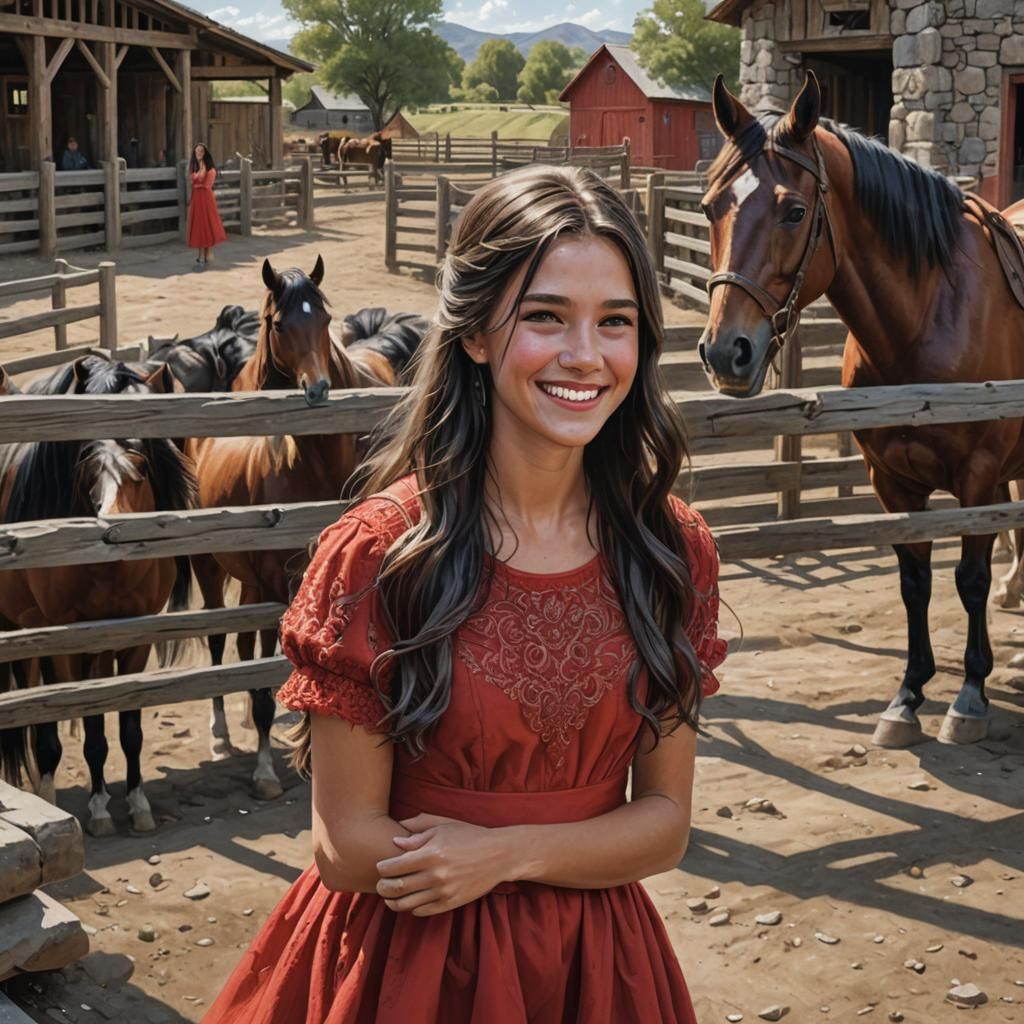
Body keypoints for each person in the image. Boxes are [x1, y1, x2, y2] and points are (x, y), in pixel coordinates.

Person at [201, 164, 727, 1024]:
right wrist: (495, 861)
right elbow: (344, 845)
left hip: (594, 971)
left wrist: (506, 854)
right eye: (547, 316)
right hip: (410, 964)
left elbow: (666, 822)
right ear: (477, 333)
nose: (586, 356)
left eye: (616, 323)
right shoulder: (378, 554)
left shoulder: (672, 551)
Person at [187, 142, 226, 269]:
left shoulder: (209, 168)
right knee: (198, 226)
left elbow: (203, 181)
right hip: (197, 199)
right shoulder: (194, 166)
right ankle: (202, 254)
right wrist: (197, 183)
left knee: (206, 225)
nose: (198, 153)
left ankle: (206, 254)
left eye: (201, 151)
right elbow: (194, 180)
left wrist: (197, 182)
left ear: (205, 153)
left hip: (206, 199)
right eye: (196, 151)